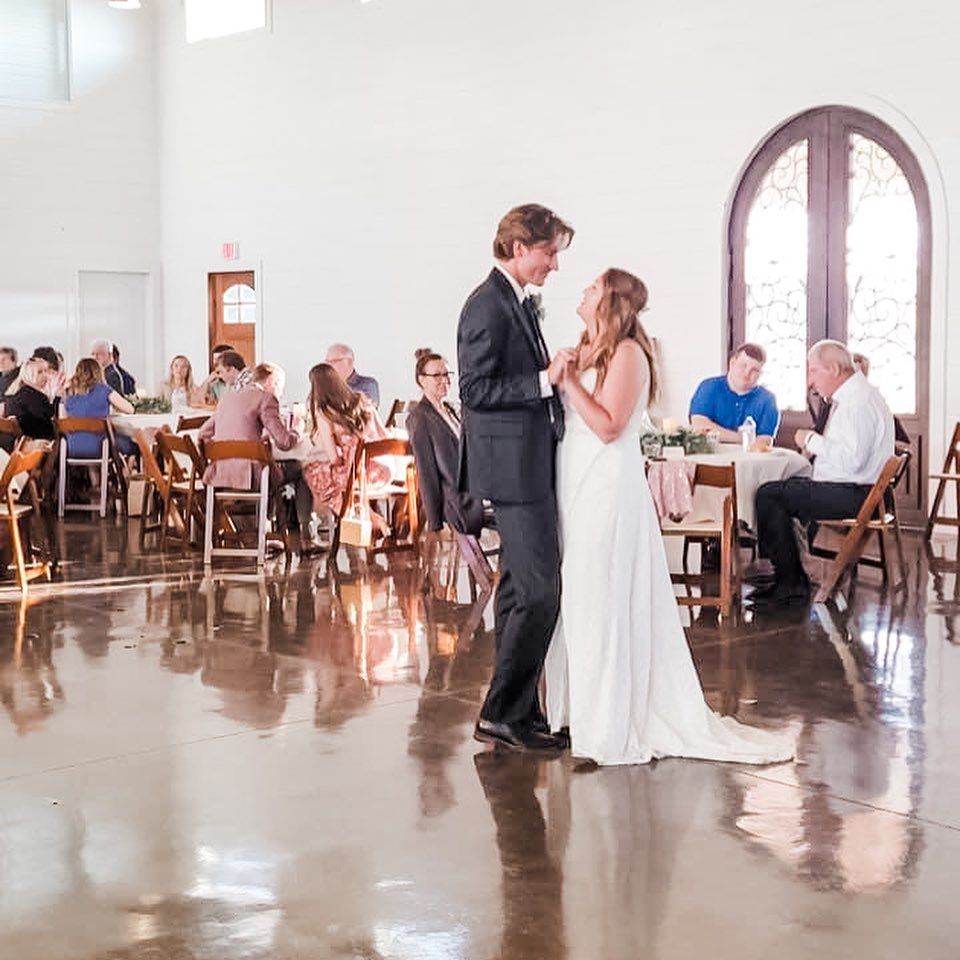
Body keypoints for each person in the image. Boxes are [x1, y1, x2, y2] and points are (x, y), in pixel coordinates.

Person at [543, 267, 794, 766]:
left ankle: (611, 722)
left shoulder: (631, 353)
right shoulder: (588, 349)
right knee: (579, 595)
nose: (584, 291)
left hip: (606, 485)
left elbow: (611, 426)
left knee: (603, 594)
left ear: (611, 301)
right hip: (573, 479)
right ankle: (576, 710)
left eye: (592, 287)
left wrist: (569, 382)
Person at [458, 203, 573, 752]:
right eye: (550, 252)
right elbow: (475, 391)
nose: (554, 264)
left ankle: (511, 715)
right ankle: (505, 711)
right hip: (512, 469)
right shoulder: (487, 305)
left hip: (526, 462)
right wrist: (544, 381)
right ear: (519, 247)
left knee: (514, 594)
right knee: (542, 590)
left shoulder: (512, 300)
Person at [752, 340, 895, 608]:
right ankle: (788, 571)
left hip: (854, 494)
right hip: (859, 491)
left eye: (814, 371)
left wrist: (811, 440)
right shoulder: (858, 395)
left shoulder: (856, 403)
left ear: (833, 369)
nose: (810, 381)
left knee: (769, 495)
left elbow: (852, 461)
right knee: (784, 487)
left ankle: (790, 581)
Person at [301, 362, 391, 538]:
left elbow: (333, 457)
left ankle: (351, 521)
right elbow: (383, 435)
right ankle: (365, 517)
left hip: (354, 476)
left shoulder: (325, 412)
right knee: (334, 479)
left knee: (313, 473)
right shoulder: (362, 401)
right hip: (378, 472)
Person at [406, 348, 483, 536]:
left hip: (475, 489)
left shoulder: (451, 409)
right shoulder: (419, 417)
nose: (445, 380)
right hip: (458, 501)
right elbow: (426, 471)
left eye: (447, 374)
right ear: (422, 380)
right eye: (437, 376)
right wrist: (434, 520)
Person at [198, 362, 301, 489]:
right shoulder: (266, 398)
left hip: (221, 474)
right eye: (280, 387)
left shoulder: (226, 398)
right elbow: (284, 442)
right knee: (300, 467)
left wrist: (219, 452)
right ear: (272, 381)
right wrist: (297, 430)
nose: (280, 393)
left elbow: (203, 433)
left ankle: (276, 507)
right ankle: (301, 510)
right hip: (252, 476)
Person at [689, 343, 779, 443]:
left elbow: (764, 442)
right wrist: (743, 438)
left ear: (760, 374)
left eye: (754, 370)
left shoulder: (767, 400)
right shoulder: (708, 387)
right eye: (743, 365)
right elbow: (699, 426)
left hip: (749, 458)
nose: (747, 373)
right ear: (732, 363)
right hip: (710, 456)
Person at [63, 358, 136, 458]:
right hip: (99, 447)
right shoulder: (104, 390)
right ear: (98, 372)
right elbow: (130, 409)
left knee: (87, 438)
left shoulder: (68, 392)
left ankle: (96, 474)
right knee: (133, 445)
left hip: (72, 447)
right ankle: (126, 471)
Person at [1, 358, 58, 452]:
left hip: (13, 449)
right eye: (40, 372)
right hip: (33, 448)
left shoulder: (13, 393)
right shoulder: (35, 395)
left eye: (46, 371)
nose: (45, 376)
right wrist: (56, 396)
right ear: (28, 375)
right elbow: (52, 416)